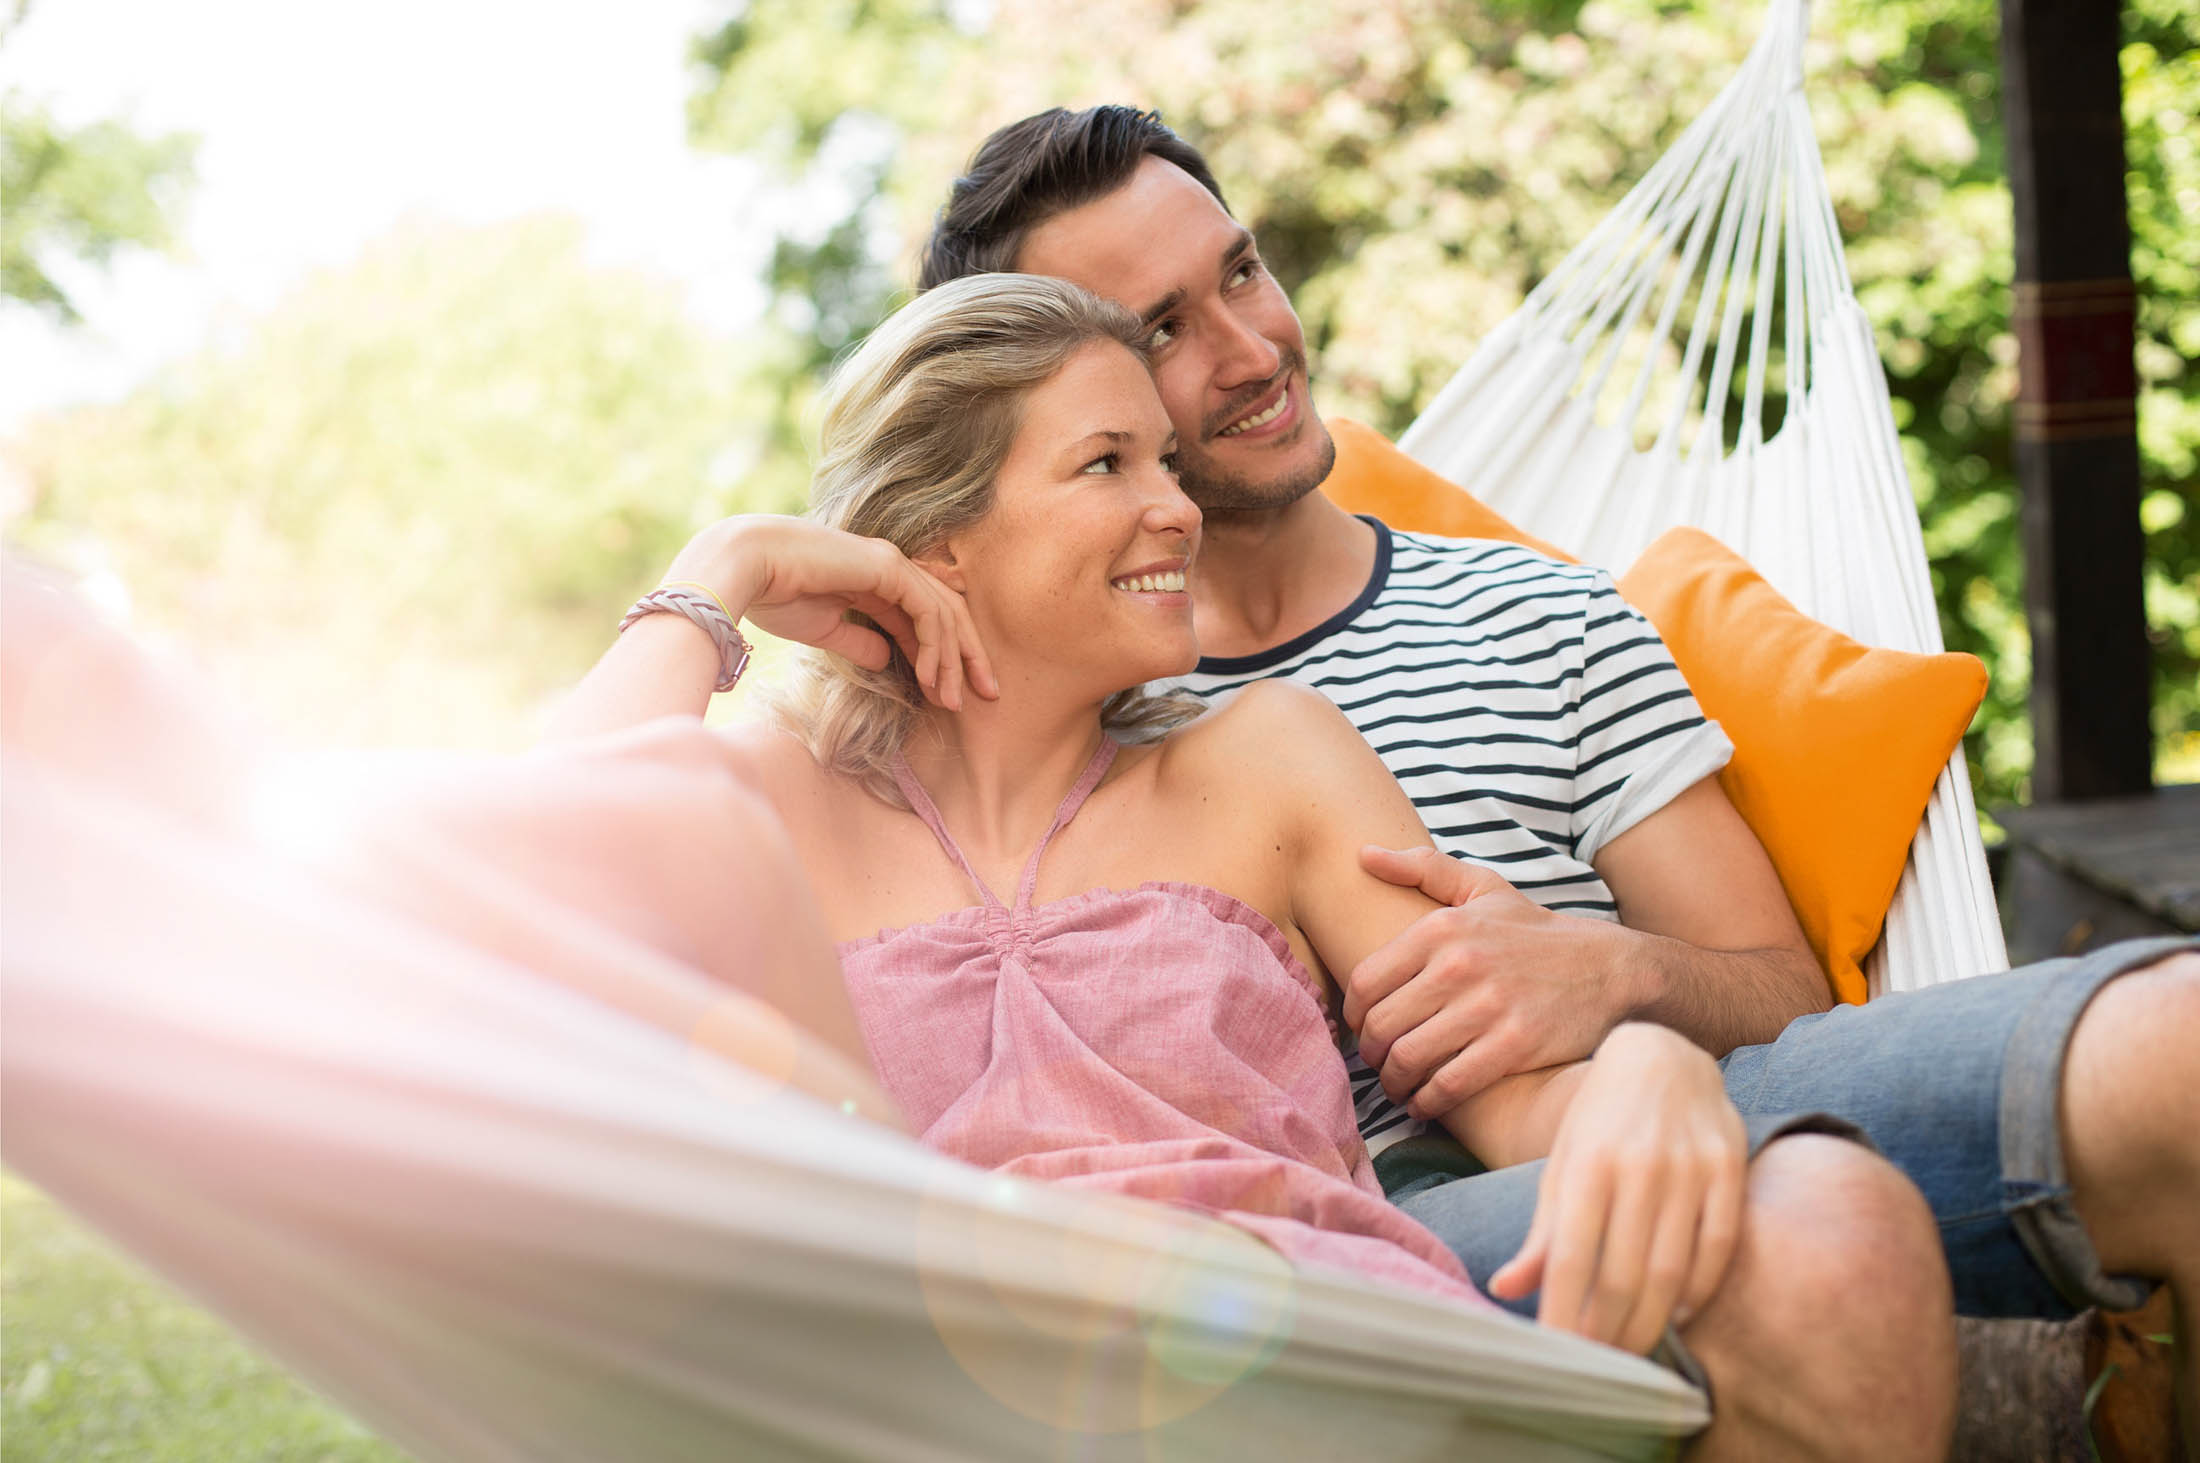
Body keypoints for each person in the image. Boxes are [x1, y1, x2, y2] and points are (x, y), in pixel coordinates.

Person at [907, 103, 2200, 1440]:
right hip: (1370, 1214)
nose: (1251, 349)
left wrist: (1615, 978)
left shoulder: (1546, 611)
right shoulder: (1063, 723)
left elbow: (1781, 986)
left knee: (2184, 1051)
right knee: (1796, 1249)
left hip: (1715, 1106)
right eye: (1162, 331)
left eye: (1241, 270)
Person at [555, 269, 1959, 1460]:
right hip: (940, 1393)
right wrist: (721, 575)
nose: (1176, 508)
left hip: (1305, 1358)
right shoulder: (769, 798)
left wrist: (1651, 1062)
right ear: (940, 539)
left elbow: (1516, 1087)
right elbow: (509, 880)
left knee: (1836, 1226)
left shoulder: (1267, 755)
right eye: (1108, 465)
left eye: (1165, 463)